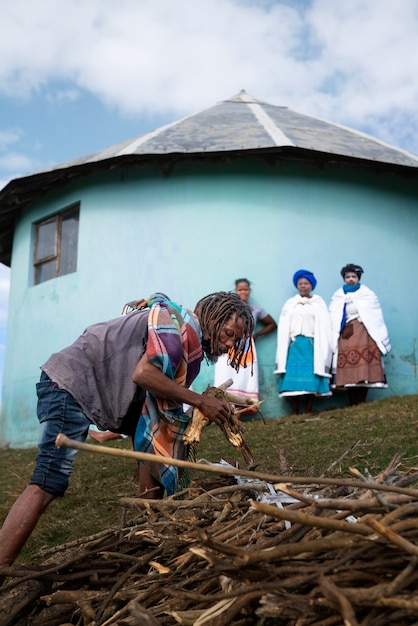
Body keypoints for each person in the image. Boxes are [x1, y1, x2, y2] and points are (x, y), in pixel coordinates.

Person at [0, 291, 254, 578]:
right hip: (69, 384)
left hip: (74, 384)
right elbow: (144, 374)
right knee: (49, 480)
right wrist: (200, 401)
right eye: (229, 333)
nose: (230, 343)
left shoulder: (179, 334)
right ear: (211, 318)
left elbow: (148, 422)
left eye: (236, 340)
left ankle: (150, 533)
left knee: (146, 446)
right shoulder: (174, 329)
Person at [329, 263, 391, 406]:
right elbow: (333, 315)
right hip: (345, 335)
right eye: (348, 277)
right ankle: (352, 402)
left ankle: (361, 401)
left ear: (358, 278)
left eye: (354, 276)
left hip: (364, 332)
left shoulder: (367, 294)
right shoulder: (338, 296)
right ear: (344, 278)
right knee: (347, 367)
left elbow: (374, 315)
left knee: (364, 366)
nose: (351, 279)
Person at [213, 278, 276, 411]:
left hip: (247, 348)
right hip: (228, 345)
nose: (243, 292)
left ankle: (239, 411)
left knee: (245, 377)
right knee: (226, 374)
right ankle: (225, 410)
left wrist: (256, 335)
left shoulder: (255, 309)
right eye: (240, 289)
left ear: (249, 291)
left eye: (245, 289)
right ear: (236, 291)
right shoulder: (229, 308)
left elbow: (272, 324)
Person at [275, 269, 332, 415]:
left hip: (311, 345)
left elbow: (324, 325)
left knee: (311, 377)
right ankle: (295, 410)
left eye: (306, 283)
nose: (303, 286)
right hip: (294, 345)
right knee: (292, 377)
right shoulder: (291, 303)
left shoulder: (318, 303)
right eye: (300, 283)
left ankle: (308, 409)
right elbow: (283, 325)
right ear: (297, 285)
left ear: (311, 285)